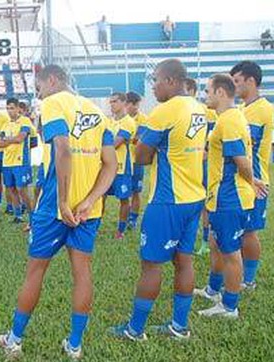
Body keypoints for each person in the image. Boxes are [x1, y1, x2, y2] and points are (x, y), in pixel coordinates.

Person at [0, 65, 117, 361]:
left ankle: (14, 340)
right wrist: (89, 201)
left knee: (35, 273)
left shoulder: (53, 104)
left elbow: (62, 149)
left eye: (39, 88)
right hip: (89, 211)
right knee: (83, 274)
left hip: (54, 208)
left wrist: (64, 202)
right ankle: (74, 346)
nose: (38, 95)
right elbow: (111, 164)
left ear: (51, 80)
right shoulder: (96, 111)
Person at [109, 59, 207, 341]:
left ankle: (135, 330)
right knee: (184, 261)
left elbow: (141, 154)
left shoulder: (166, 110)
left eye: (156, 80)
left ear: (171, 81)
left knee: (151, 265)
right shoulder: (198, 108)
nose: (153, 86)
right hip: (194, 197)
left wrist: (149, 151)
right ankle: (179, 326)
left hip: (167, 200)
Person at [193, 74, 259, 318]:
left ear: (220, 93)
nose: (205, 95)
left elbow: (241, 160)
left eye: (208, 91)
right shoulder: (229, 118)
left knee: (231, 252)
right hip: (220, 196)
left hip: (230, 198)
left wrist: (252, 181)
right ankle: (213, 289)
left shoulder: (229, 121)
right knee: (215, 244)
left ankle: (229, 305)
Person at [230, 61, 273, 290]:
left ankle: (249, 279)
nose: (233, 86)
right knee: (239, 230)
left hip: (255, 181)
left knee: (249, 232)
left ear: (251, 81)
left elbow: (251, 147)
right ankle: (238, 274)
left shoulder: (266, 110)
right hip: (238, 181)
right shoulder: (241, 109)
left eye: (237, 81)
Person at [183, 78, 218, 256]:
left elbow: (213, 137)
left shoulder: (206, 112)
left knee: (205, 203)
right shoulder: (177, 111)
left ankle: (205, 240)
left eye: (185, 91)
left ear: (192, 91)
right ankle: (185, 238)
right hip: (184, 166)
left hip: (202, 164)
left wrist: (206, 151)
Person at [0, 98, 34, 224]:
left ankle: (32, 218)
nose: (9, 111)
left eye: (12, 108)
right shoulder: (5, 124)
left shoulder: (25, 121)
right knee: (11, 189)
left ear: (18, 108)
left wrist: (7, 140)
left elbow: (21, 138)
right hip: (7, 162)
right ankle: (18, 216)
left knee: (22, 190)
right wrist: (11, 140)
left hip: (20, 162)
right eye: (7, 108)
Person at [105, 92, 136, 239]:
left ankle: (120, 230)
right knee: (100, 197)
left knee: (124, 199)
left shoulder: (128, 122)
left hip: (122, 168)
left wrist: (101, 147)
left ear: (124, 102)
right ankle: (94, 225)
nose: (111, 104)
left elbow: (115, 144)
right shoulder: (108, 121)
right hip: (105, 167)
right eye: (110, 102)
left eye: (115, 101)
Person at [125, 91, 148, 230]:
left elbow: (138, 139)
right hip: (123, 161)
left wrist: (125, 137)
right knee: (124, 192)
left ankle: (133, 219)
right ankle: (124, 217)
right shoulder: (120, 119)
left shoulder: (144, 119)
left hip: (137, 161)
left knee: (136, 191)